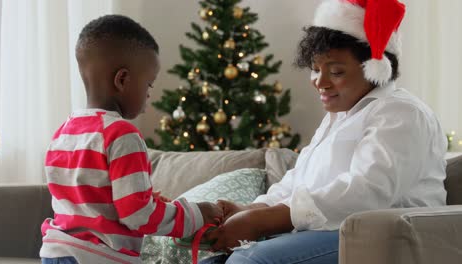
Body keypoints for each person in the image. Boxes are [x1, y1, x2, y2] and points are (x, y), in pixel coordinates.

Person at [200, 0, 447, 263]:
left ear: (375, 67)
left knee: (249, 260)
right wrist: (252, 208)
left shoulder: (401, 113)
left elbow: (366, 193)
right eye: (315, 70)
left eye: (336, 71)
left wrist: (263, 220)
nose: (320, 82)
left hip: (380, 238)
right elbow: (299, 182)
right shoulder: (339, 116)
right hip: (328, 230)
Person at [39, 15, 223, 264]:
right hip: (98, 258)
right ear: (123, 80)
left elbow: (90, 202)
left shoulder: (63, 133)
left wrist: (145, 198)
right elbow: (138, 216)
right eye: (148, 85)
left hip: (56, 252)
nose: (148, 98)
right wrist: (198, 213)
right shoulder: (122, 134)